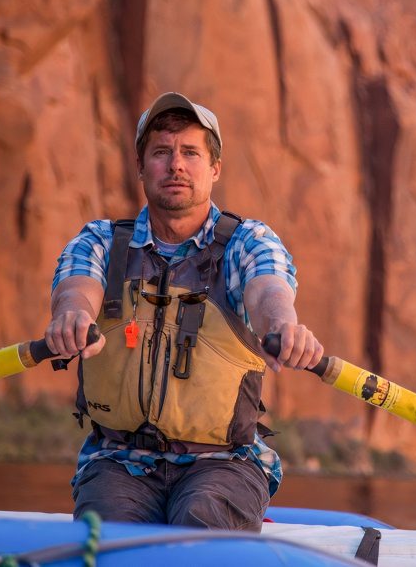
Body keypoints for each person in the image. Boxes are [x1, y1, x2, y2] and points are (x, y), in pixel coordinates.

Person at [44, 91, 323, 530]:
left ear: (214, 169)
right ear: (141, 168)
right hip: (118, 462)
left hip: (224, 465)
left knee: (201, 519)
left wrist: (283, 328)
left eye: (190, 152)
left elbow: (269, 292)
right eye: (161, 152)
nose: (175, 165)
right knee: (113, 533)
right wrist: (72, 316)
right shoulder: (100, 241)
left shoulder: (247, 242)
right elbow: (77, 289)